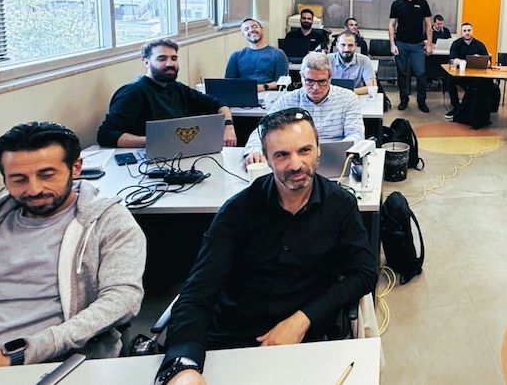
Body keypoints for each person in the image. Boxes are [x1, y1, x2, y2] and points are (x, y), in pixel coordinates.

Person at [154, 108, 377, 385]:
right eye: (282, 155)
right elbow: (198, 292)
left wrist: (303, 319)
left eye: (305, 150)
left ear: (319, 150)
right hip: (232, 338)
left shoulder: (340, 205)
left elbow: (364, 273)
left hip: (304, 340)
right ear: (266, 158)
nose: (295, 164)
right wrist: (183, 365)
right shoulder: (237, 210)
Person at [0, 122, 146, 368]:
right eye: (19, 179)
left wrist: (16, 355)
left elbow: (122, 300)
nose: (34, 189)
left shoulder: (109, 221)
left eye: (46, 175)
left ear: (76, 167)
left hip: (51, 362)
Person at [97, 39, 238, 148]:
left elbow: (219, 104)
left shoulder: (176, 88)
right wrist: (153, 141)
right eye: (162, 58)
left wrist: (228, 126)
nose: (170, 64)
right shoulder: (133, 92)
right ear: (146, 62)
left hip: (179, 151)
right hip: (148, 159)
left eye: (174, 58)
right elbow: (106, 135)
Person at [244, 52, 364, 165]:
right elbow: (262, 130)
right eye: (309, 81)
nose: (316, 87)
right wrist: (255, 150)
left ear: (330, 77)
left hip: (335, 159)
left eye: (322, 81)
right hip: (295, 159)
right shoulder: (287, 101)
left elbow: (356, 134)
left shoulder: (348, 98)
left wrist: (340, 152)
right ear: (301, 76)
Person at [388, 0, 433, 112]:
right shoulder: (396, 4)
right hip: (401, 44)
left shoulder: (423, 3)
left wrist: (429, 44)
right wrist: (392, 44)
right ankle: (404, 100)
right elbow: (391, 24)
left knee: (420, 73)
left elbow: (428, 24)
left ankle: (421, 101)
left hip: (417, 45)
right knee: (402, 73)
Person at [226, 18, 289, 92]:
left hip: (269, 93)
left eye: (254, 26)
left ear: (262, 30)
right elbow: (228, 82)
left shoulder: (278, 54)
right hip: (243, 93)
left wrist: (264, 87)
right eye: (246, 29)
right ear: (244, 36)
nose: (251, 30)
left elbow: (282, 82)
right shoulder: (235, 56)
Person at [444, 22, 489, 120]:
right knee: (450, 79)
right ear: (461, 33)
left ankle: (479, 109)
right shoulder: (456, 44)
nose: (467, 33)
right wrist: (462, 61)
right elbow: (452, 59)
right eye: (464, 31)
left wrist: (479, 58)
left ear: (472, 31)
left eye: (469, 30)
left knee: (485, 82)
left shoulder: (479, 44)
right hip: (460, 75)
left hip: (475, 76)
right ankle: (455, 106)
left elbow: (488, 61)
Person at [328, 31, 378, 96]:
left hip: (355, 97)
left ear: (355, 46)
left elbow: (372, 87)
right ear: (337, 45)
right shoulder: (327, 59)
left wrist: (346, 93)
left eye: (350, 45)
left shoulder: (364, 60)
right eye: (343, 45)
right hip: (332, 97)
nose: (346, 49)